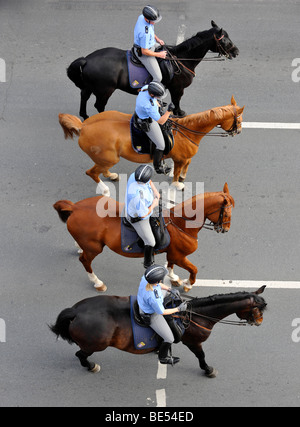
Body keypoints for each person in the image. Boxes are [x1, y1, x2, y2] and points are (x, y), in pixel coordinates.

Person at [137, 264, 187, 365]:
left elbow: (158, 285)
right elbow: (162, 312)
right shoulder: (153, 297)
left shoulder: (146, 279)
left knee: (169, 294)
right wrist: (178, 309)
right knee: (169, 338)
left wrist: (169, 289)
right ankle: (163, 358)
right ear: (158, 280)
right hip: (151, 314)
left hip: (143, 300)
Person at [125, 164, 160, 268]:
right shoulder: (139, 197)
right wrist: (155, 202)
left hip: (140, 204)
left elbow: (149, 181)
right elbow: (143, 214)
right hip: (138, 216)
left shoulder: (134, 176)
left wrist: (155, 191)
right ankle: (148, 262)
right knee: (151, 242)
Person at [134, 81, 174, 174]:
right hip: (147, 121)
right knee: (161, 145)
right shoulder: (148, 105)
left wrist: (158, 103)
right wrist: (169, 111)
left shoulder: (147, 87)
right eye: (158, 96)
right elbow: (161, 121)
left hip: (143, 111)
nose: (159, 98)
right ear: (152, 94)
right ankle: (158, 167)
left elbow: (154, 99)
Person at [133, 5, 167, 83]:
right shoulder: (145, 33)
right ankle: (150, 91)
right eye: (153, 21)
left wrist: (158, 39)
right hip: (145, 52)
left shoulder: (142, 17)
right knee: (158, 78)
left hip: (151, 43)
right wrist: (159, 55)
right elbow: (144, 51)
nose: (154, 23)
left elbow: (151, 31)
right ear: (146, 19)